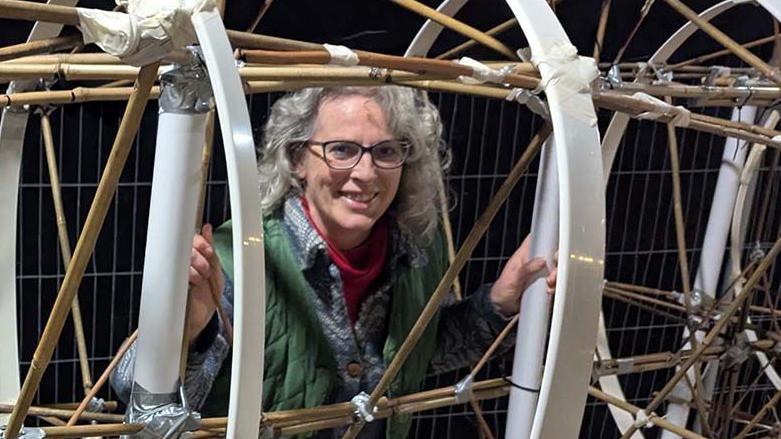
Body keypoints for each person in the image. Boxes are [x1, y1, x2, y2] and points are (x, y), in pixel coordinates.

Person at [112, 85, 556, 438]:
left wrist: (501, 301)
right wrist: (188, 332)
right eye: (341, 149)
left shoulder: (417, 251)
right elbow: (136, 397)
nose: (365, 174)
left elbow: (414, 356)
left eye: (385, 151)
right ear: (296, 159)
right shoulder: (240, 257)